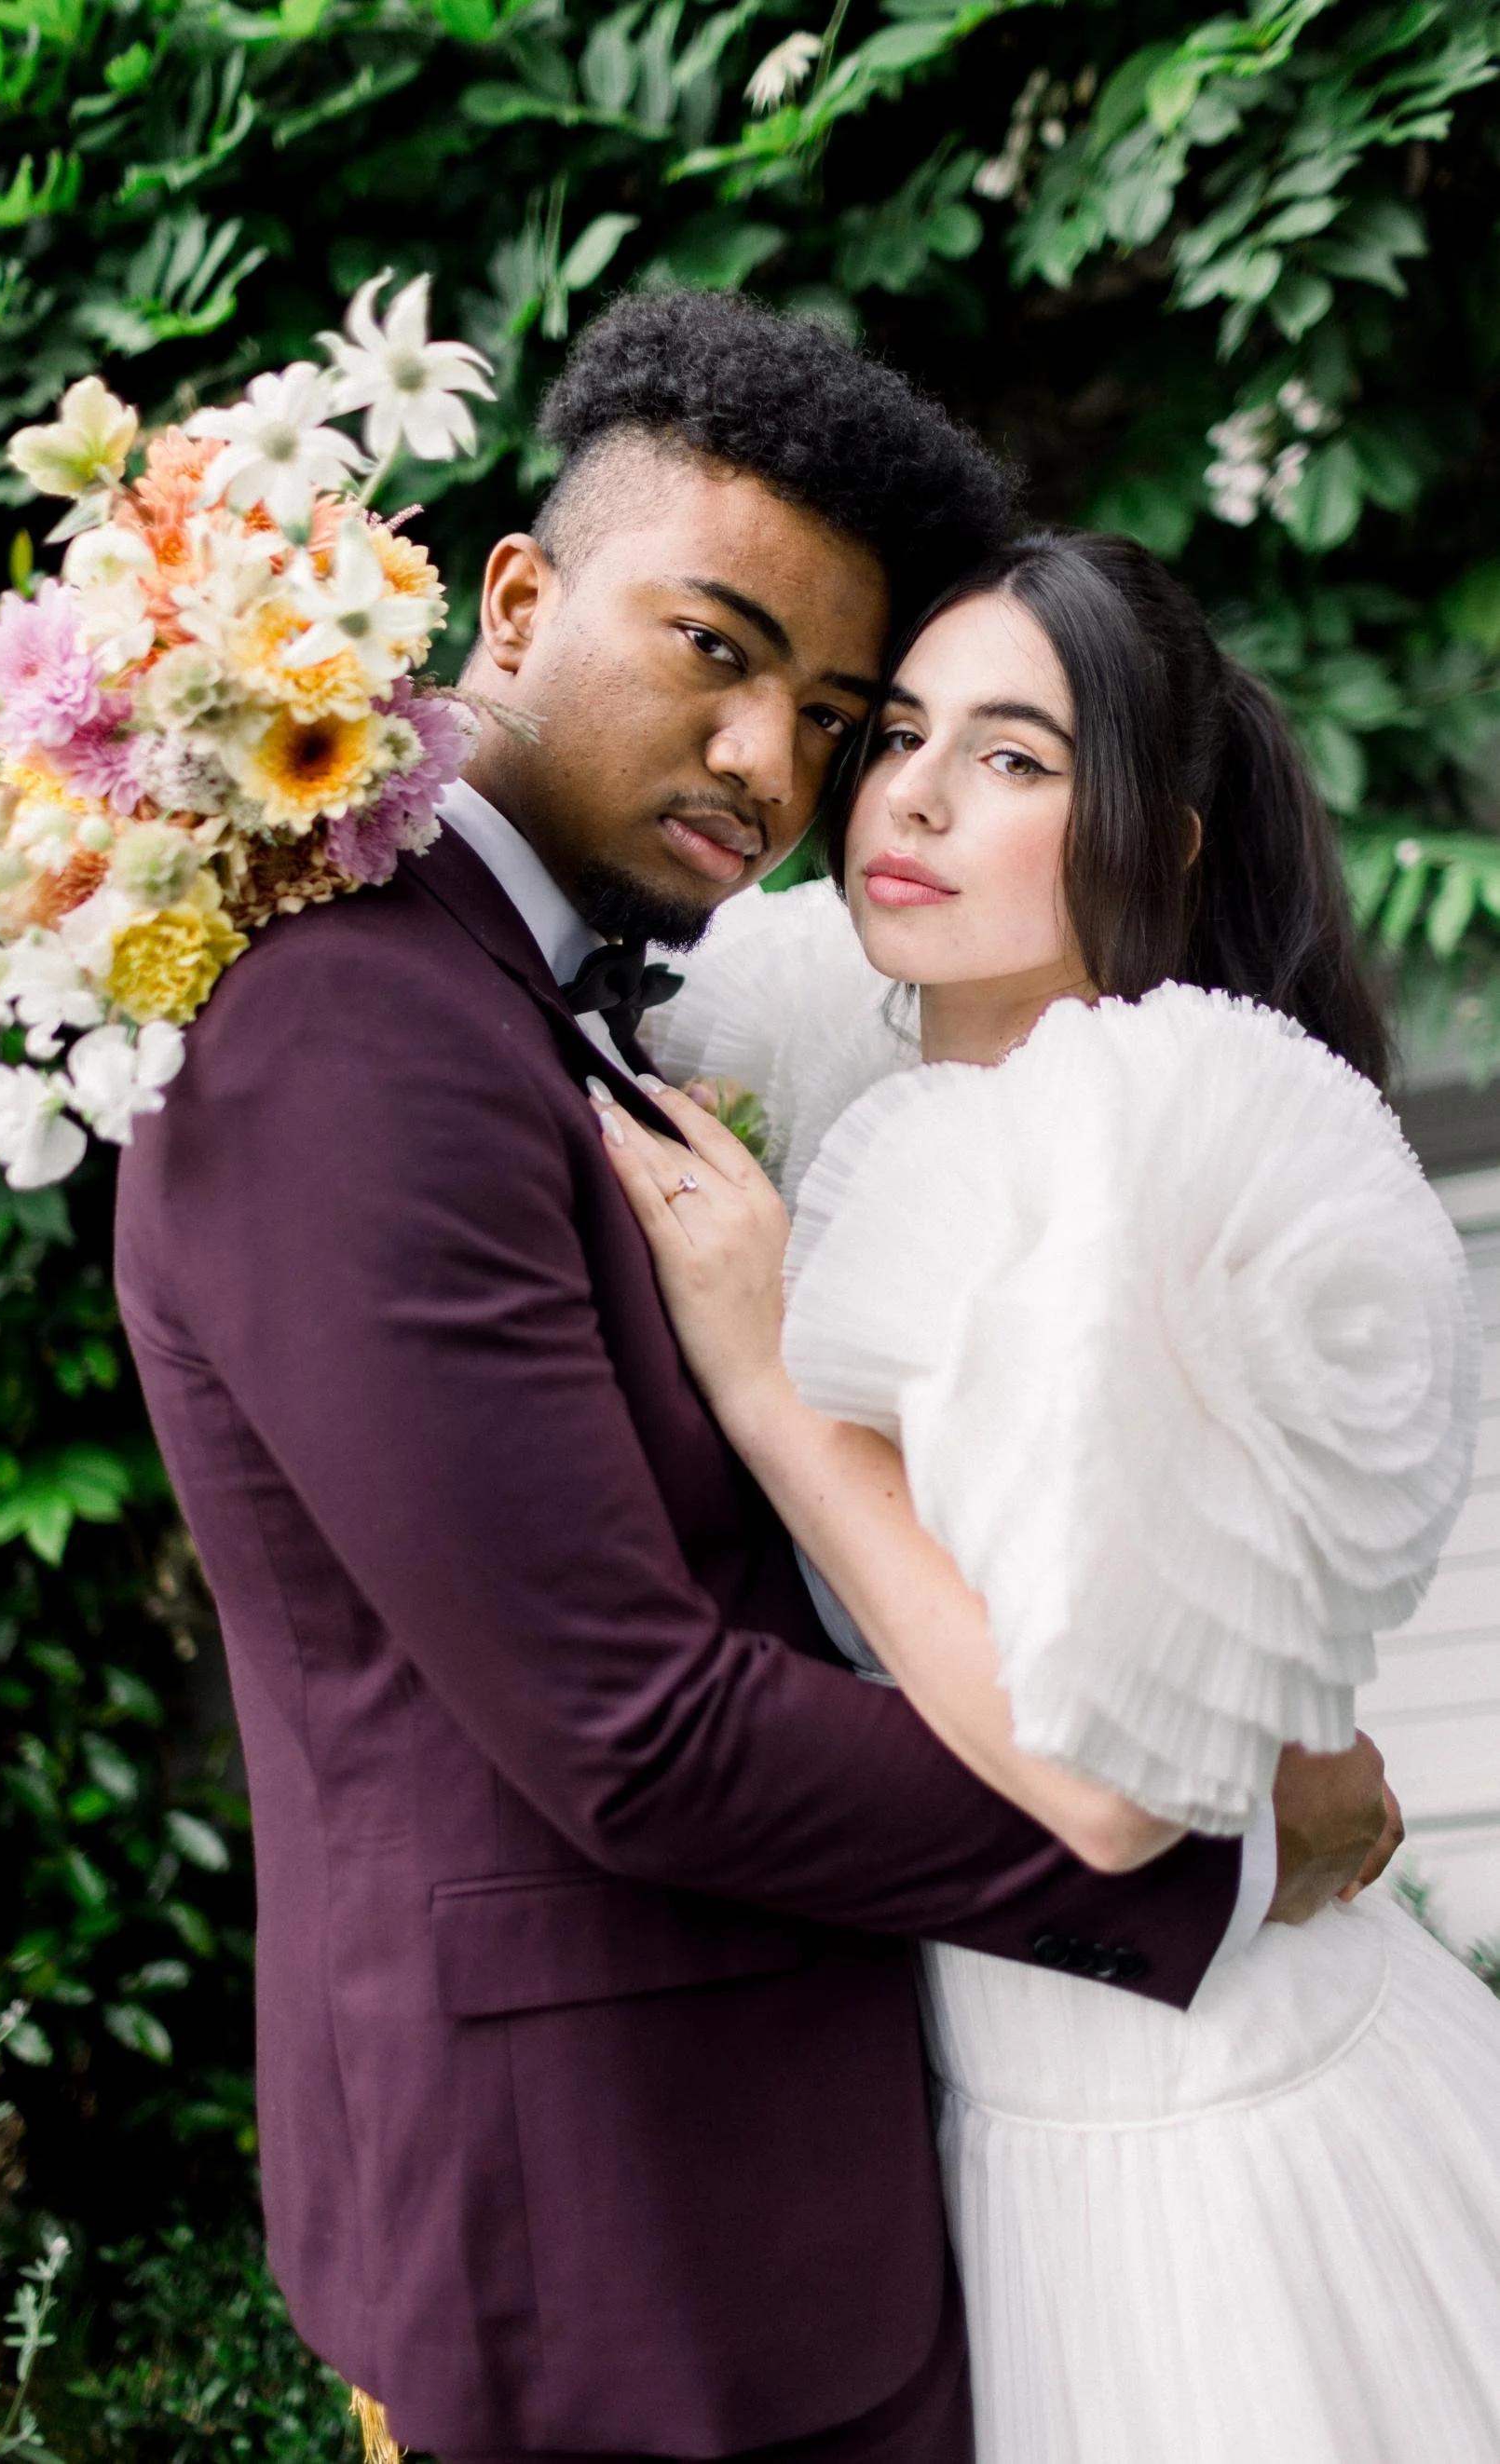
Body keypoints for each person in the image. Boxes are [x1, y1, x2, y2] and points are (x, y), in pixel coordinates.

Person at [115, 300, 1397, 2464]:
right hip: (614, 2231)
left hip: (771, 2181)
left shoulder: (563, 1002)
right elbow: (636, 1728)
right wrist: (1212, 1833)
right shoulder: (358, 1029)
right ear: (515, 598)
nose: (771, 769)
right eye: (714, 651)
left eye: (823, 710)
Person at [600, 526, 1500, 2463]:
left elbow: (1100, 1790)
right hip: (1005, 2111)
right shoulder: (833, 1065)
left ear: (1162, 843)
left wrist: (770, 1387)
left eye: (1015, 757)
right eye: (901, 729)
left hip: (1212, 2135)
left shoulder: (1143, 1157)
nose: (913, 791)